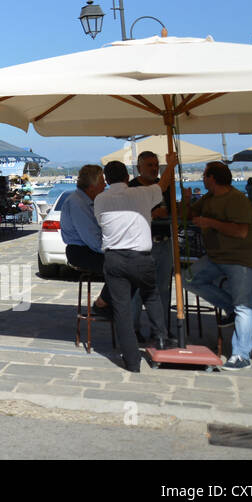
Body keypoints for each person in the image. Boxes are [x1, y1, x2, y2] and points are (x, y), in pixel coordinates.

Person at [93, 154, 176, 372]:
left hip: (114, 259)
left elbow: (101, 223)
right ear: (128, 176)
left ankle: (131, 361)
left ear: (106, 179)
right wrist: (172, 163)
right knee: (152, 295)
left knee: (122, 309)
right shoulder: (142, 193)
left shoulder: (100, 200)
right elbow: (164, 183)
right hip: (141, 257)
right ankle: (160, 339)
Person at [184, 162, 252, 370]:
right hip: (217, 258)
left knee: (244, 306)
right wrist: (185, 201)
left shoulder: (237, 200)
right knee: (188, 279)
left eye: (204, 175)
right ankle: (230, 308)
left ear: (212, 178)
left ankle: (241, 355)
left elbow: (241, 232)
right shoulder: (209, 198)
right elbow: (189, 214)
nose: (202, 179)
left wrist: (210, 223)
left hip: (243, 260)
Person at [129, 150, 174, 339]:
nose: (154, 169)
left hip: (164, 243)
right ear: (139, 167)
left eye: (156, 165)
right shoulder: (131, 188)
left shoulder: (163, 186)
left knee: (163, 289)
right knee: (138, 290)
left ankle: (160, 330)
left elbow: (172, 210)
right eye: (150, 165)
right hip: (142, 246)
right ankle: (133, 329)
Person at [59, 164, 112, 316]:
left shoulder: (87, 201)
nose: (105, 185)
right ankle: (103, 303)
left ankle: (110, 303)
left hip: (87, 248)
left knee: (125, 264)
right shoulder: (78, 203)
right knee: (120, 266)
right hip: (80, 252)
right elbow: (93, 240)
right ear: (92, 186)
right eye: (102, 181)